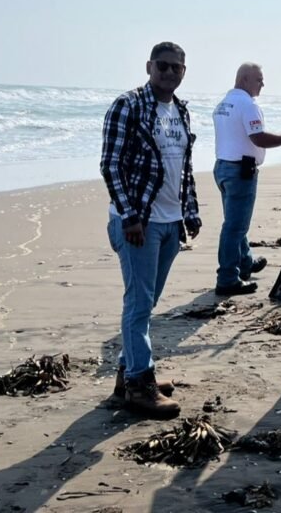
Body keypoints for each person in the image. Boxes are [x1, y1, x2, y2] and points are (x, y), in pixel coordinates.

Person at [100, 41, 201, 418]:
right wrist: (129, 217)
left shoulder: (181, 111)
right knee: (138, 303)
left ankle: (127, 377)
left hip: (170, 222)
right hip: (138, 223)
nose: (169, 72)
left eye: (177, 67)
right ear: (149, 66)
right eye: (163, 66)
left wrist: (189, 214)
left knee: (147, 303)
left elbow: (183, 169)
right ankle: (140, 384)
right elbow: (110, 165)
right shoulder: (128, 106)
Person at [212, 63, 281, 296]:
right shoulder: (247, 105)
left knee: (235, 220)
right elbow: (258, 138)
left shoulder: (224, 104)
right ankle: (227, 277)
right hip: (240, 170)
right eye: (259, 79)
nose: (263, 84)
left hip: (222, 167)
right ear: (245, 79)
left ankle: (245, 261)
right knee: (235, 226)